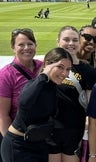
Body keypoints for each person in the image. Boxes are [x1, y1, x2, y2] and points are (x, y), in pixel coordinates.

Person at [1, 47, 73, 162]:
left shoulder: (53, 87)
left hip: (39, 144)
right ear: (47, 64)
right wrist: (44, 74)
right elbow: (24, 102)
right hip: (18, 146)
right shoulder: (35, 84)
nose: (65, 73)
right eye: (60, 67)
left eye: (68, 69)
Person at [50, 26, 96, 162]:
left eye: (75, 40)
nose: (71, 43)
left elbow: (90, 104)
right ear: (58, 41)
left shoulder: (88, 70)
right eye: (66, 39)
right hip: (49, 129)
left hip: (74, 129)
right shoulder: (48, 66)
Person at [0, 28, 42, 162]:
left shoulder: (43, 67)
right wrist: (11, 144)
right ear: (13, 47)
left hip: (42, 138)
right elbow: (3, 116)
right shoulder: (6, 75)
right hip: (19, 140)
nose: (26, 48)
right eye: (21, 45)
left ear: (36, 45)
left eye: (30, 44)